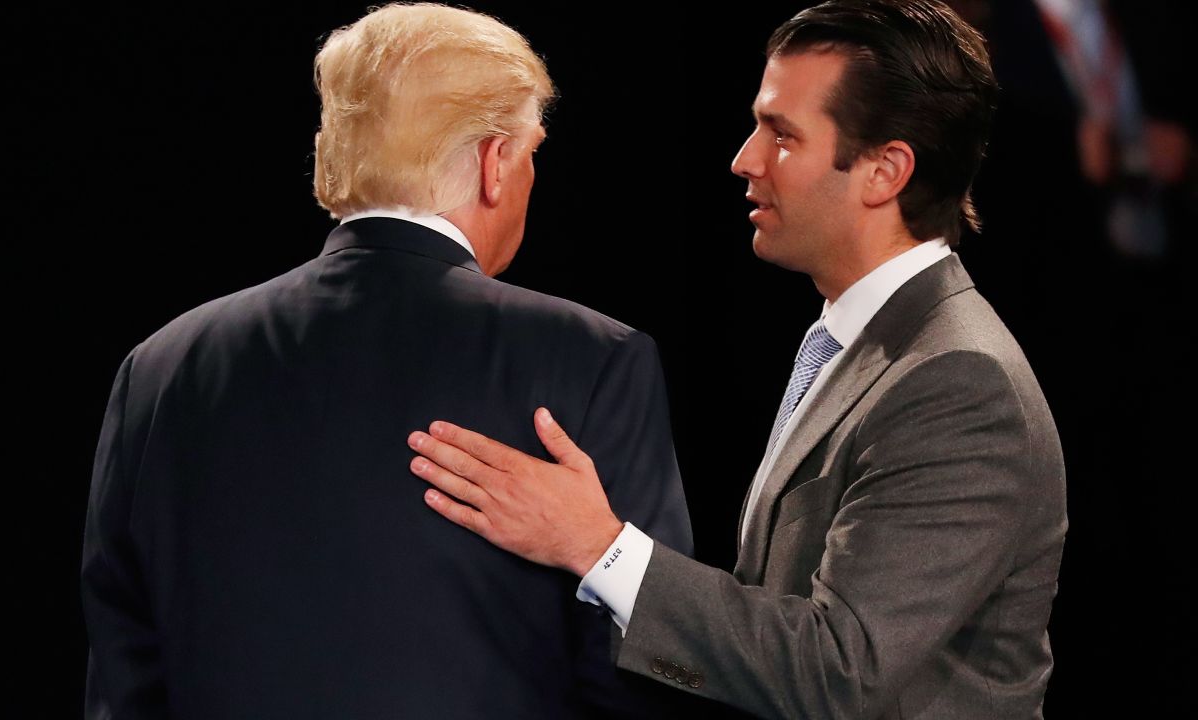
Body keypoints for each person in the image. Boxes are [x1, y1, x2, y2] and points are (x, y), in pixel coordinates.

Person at [407, 1, 1068, 718]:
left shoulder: (959, 383)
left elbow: (840, 672)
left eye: (782, 136)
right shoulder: (859, 343)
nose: (744, 159)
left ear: (885, 171)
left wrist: (598, 546)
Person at [80, 4, 693, 718]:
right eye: (532, 155)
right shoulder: (595, 362)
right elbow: (642, 675)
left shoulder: (158, 369)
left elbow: (124, 679)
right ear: (497, 164)